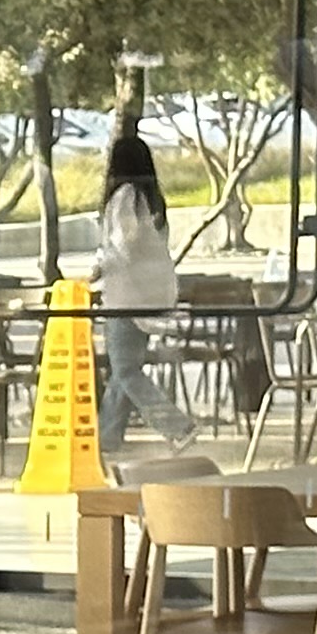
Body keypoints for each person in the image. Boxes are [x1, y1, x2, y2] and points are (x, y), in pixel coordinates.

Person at [90, 126, 186, 452]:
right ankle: (107, 438)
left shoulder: (123, 197)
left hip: (125, 296)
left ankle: (177, 426)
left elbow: (121, 247)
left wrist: (97, 270)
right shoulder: (152, 199)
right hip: (153, 293)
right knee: (123, 369)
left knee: (126, 370)